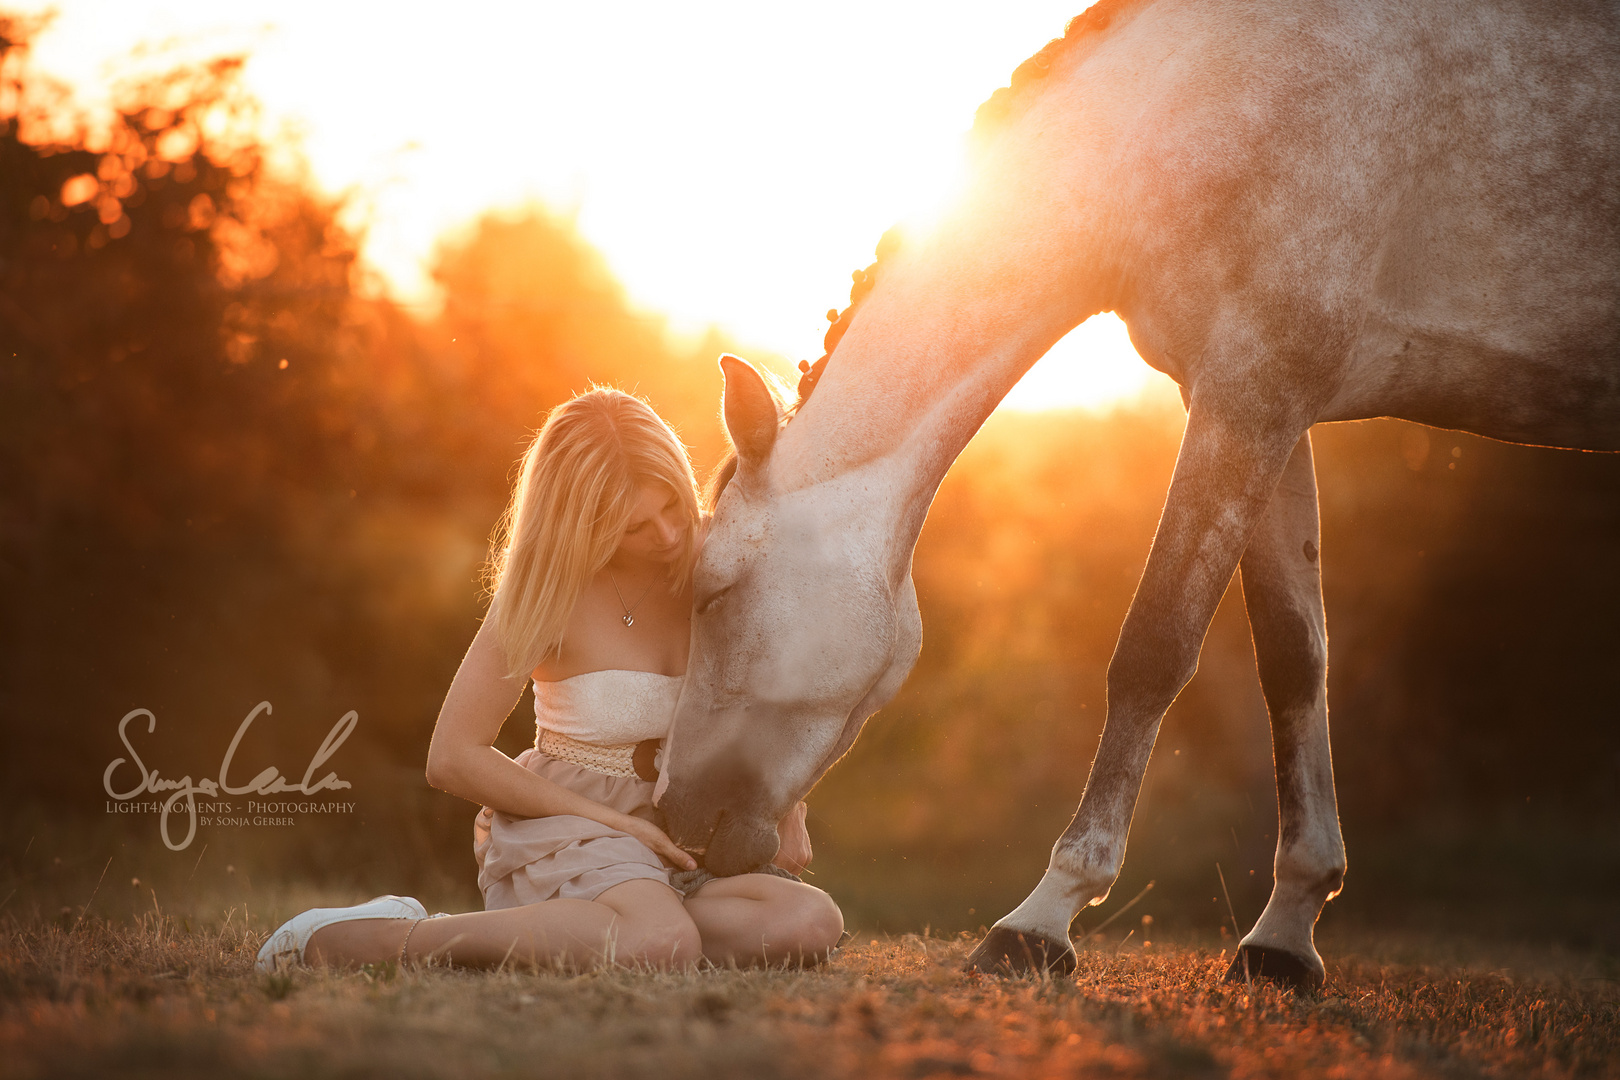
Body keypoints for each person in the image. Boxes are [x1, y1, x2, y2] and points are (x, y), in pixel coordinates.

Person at [255, 387, 843, 973]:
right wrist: (614, 822)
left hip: (684, 831)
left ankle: (620, 933)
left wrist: (789, 809)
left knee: (808, 922)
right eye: (635, 525)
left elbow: (778, 696)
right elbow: (453, 755)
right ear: (583, 520)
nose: (667, 536)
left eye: (672, 506)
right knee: (659, 942)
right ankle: (390, 940)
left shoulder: (721, 556)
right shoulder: (549, 592)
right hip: (572, 827)